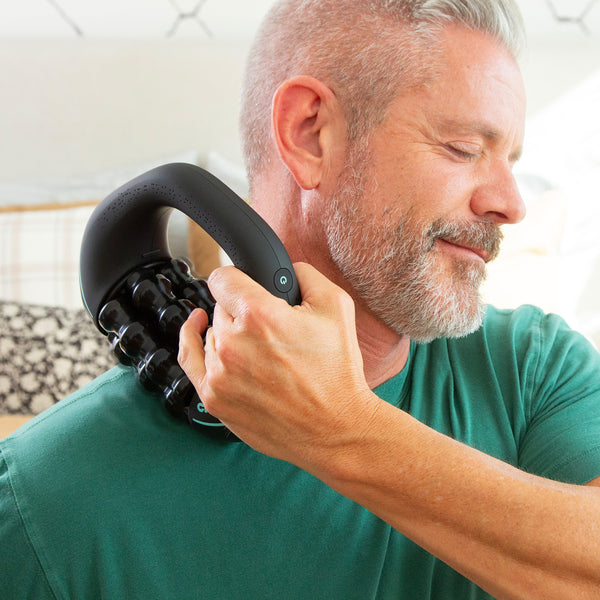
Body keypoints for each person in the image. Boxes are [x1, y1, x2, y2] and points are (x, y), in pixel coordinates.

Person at [1, 1, 599, 598]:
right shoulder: (40, 499)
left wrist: (335, 424)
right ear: (310, 134)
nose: (512, 204)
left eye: (511, 161)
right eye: (465, 147)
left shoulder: (535, 370)